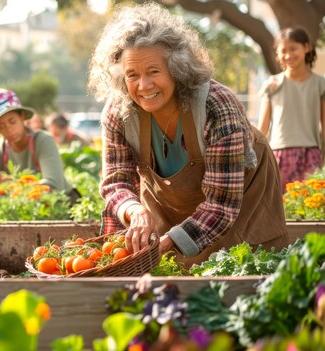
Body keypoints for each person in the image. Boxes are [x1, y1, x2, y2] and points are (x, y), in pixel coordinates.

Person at [87, 3, 290, 266]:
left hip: (242, 197)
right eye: (132, 75)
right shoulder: (119, 112)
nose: (144, 85)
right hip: (170, 207)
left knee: (244, 267)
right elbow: (116, 182)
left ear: (176, 68)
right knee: (170, 277)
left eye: (153, 72)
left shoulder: (215, 105)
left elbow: (221, 206)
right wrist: (135, 211)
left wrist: (171, 241)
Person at [257, 26, 325, 189]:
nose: (288, 55)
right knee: (279, 208)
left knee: (310, 207)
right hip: (278, 155)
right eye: (283, 51)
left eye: (293, 48)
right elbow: (262, 129)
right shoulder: (272, 85)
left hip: (311, 155)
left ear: (307, 47)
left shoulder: (320, 84)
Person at [0, 89, 76, 195]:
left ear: (22, 116)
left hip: (59, 204)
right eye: (1, 126)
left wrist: (12, 184)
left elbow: (53, 186)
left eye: (12, 121)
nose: (9, 130)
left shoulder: (43, 141)